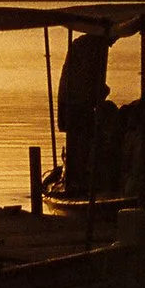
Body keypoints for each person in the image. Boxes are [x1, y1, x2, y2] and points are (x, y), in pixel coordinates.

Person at [56, 29, 112, 192]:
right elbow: (90, 76)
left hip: (76, 100)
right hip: (76, 101)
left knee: (80, 138)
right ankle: (77, 179)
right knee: (81, 138)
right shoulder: (94, 46)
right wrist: (99, 91)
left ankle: (77, 177)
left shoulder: (87, 44)